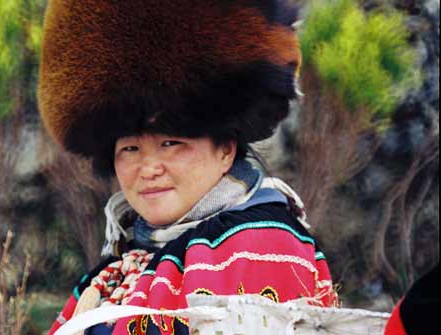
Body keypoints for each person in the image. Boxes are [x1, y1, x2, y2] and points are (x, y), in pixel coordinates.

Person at [38, 1, 337, 334]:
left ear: (225, 148)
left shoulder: (260, 249)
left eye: (171, 143)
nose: (148, 168)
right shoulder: (124, 262)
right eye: (130, 148)